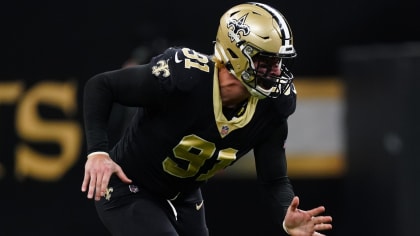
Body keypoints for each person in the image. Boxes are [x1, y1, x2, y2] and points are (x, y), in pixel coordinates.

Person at [81, 2, 333, 236]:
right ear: (235, 53)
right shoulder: (185, 77)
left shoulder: (272, 106)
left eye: (278, 61)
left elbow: (274, 179)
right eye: (265, 61)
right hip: (129, 186)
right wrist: (98, 153)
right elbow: (101, 86)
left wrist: (285, 217)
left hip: (185, 197)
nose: (276, 71)